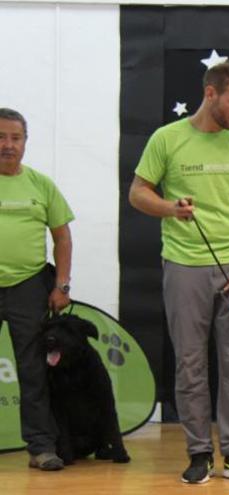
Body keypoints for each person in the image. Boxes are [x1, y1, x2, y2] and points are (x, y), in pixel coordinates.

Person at [129, 62, 229, 484]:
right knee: (190, 363)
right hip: (184, 265)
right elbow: (138, 193)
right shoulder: (167, 138)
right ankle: (197, 453)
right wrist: (170, 209)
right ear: (210, 94)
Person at [0, 108, 73, 471]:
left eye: (15, 137)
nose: (7, 145)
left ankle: (41, 448)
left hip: (28, 287)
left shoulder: (41, 185)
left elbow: (62, 236)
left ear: (25, 143)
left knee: (33, 370)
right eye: (1, 137)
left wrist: (62, 284)